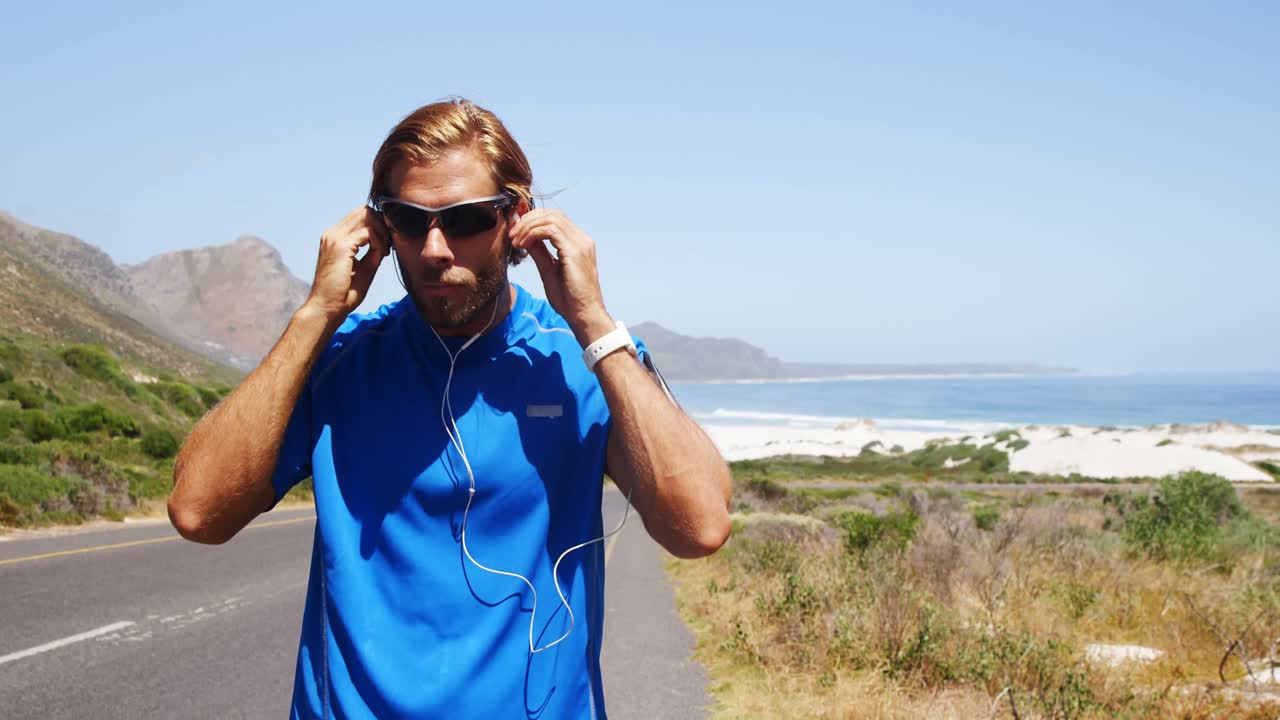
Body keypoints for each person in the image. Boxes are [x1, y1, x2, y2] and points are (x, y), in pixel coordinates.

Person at [167, 98, 733, 719]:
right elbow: (199, 512)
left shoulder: (581, 360)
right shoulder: (340, 359)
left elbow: (700, 527)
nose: (435, 248)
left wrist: (593, 320)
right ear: (380, 231)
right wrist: (314, 318)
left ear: (515, 217)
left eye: (464, 220)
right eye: (410, 221)